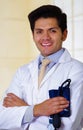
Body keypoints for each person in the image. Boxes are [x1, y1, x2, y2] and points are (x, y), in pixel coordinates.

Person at [0, 4, 83, 130]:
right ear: (33, 35)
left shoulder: (77, 71)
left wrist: (24, 109)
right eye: (39, 31)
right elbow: (3, 119)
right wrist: (37, 109)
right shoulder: (23, 72)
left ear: (64, 34)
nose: (45, 37)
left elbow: (67, 125)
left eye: (52, 30)